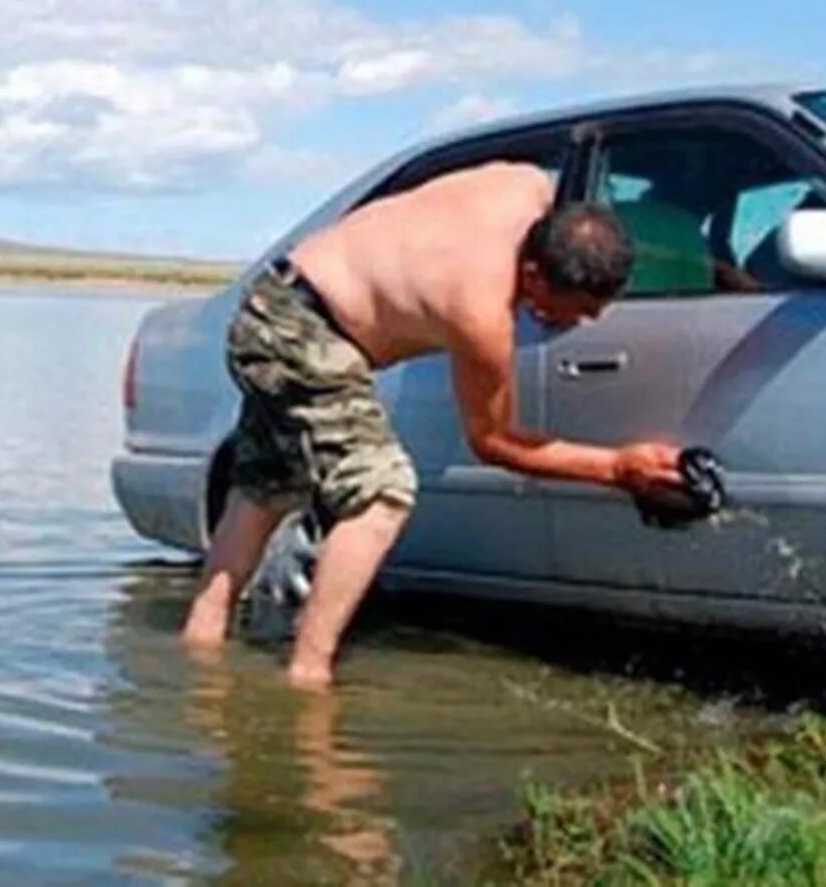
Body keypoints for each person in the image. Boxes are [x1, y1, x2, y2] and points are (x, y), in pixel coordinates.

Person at [180, 160, 687, 689]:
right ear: (535, 274)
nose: (583, 323)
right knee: (383, 496)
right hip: (310, 333)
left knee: (263, 489)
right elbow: (494, 442)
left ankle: (201, 653)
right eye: (576, 309)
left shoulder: (522, 184)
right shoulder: (480, 312)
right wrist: (618, 468)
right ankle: (308, 678)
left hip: (272, 303)